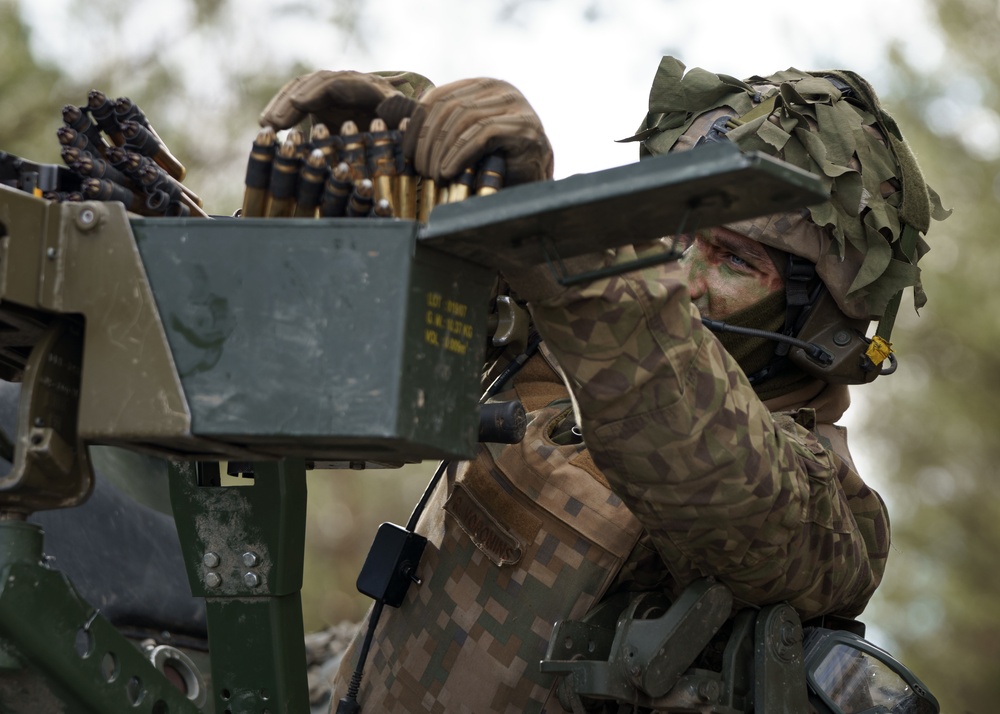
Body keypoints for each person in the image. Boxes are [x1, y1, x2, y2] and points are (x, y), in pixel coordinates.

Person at [261, 57, 948, 713]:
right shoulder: (547, 337)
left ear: (821, 324)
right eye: (678, 231)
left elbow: (708, 457)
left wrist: (555, 234)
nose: (682, 274)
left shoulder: (830, 517)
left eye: (735, 258)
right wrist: (408, 145)